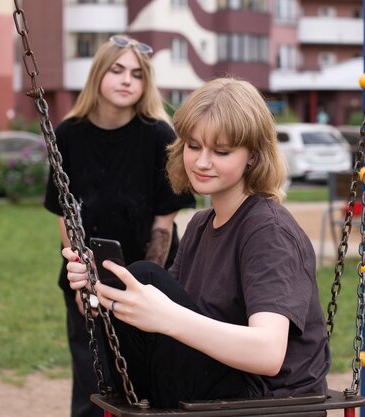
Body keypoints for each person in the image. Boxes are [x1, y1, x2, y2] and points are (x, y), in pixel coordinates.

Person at [63, 77, 331, 409]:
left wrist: (166, 315)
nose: (202, 162)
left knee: (147, 277)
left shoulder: (269, 231)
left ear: (252, 156)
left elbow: (268, 353)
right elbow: (162, 329)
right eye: (193, 146)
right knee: (133, 282)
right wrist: (98, 292)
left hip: (267, 402)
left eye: (221, 151)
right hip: (218, 384)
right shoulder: (201, 224)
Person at [43, 35, 195, 417]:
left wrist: (145, 285)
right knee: (93, 383)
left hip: (146, 276)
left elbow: (165, 220)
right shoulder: (68, 134)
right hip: (86, 274)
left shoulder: (159, 135)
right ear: (99, 74)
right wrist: (83, 276)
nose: (127, 80)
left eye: (137, 74)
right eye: (117, 70)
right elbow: (67, 216)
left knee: (145, 381)